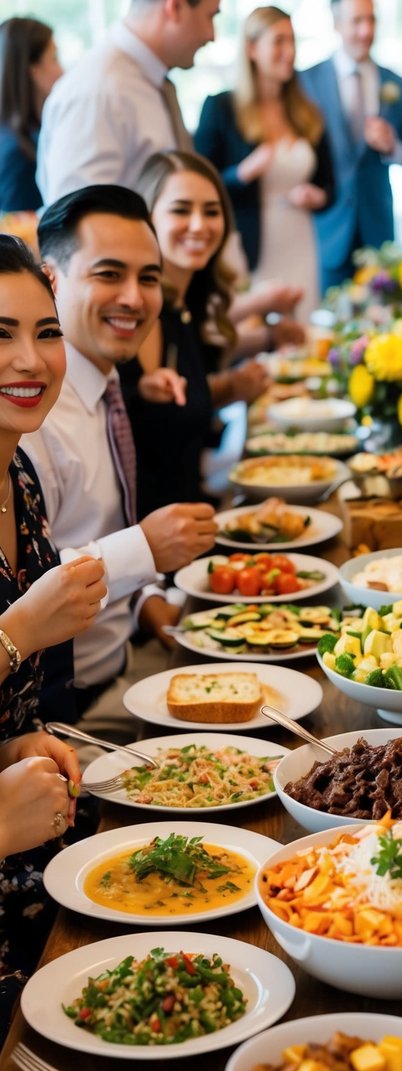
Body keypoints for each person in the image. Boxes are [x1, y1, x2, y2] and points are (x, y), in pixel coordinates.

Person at [20, 185, 218, 733]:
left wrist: (148, 596)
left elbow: (99, 527)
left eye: (148, 278)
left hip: (131, 661)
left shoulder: (107, 384)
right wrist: (145, 549)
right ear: (51, 281)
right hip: (68, 710)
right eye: (109, 274)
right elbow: (25, 589)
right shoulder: (33, 415)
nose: (134, 297)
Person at [0, 234, 109, 1039]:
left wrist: (19, 744)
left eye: (44, 332)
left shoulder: (20, 475)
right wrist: (16, 632)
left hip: (40, 850)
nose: (30, 360)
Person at [121, 150, 270, 516]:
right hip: (154, 539)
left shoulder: (187, 303)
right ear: (148, 218)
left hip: (196, 517)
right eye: (181, 210)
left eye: (211, 211)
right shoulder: (137, 314)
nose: (199, 225)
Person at [195, 6, 334, 324]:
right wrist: (242, 173)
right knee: (253, 329)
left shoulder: (307, 113)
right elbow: (201, 184)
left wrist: (318, 197)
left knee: (300, 325)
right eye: (279, 42)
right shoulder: (221, 107)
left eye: (292, 42)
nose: (289, 52)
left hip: (301, 238)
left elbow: (331, 185)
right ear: (252, 48)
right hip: (248, 245)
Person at [36, 0, 220, 205]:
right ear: (175, 8)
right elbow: (78, 222)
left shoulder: (146, 81)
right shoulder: (98, 91)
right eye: (211, 16)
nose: (212, 36)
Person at [300, 0, 402, 292]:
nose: (366, 31)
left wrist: (393, 145)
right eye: (356, 21)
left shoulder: (399, 86)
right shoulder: (306, 81)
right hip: (326, 230)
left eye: (371, 21)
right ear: (336, 23)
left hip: (377, 230)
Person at [0, 17, 62, 213]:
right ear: (33, 69)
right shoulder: (17, 153)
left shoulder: (25, 136)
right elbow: (18, 236)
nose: (62, 70)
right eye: (54, 58)